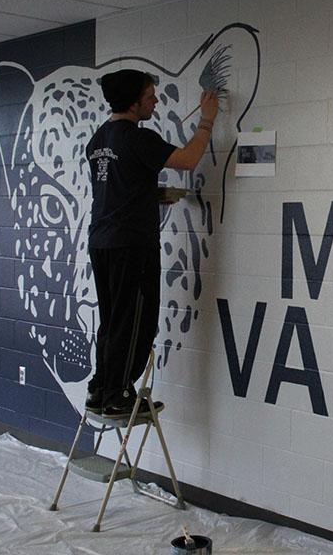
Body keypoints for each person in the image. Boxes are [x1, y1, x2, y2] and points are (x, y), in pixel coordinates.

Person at [85, 69, 218, 417]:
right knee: (136, 321)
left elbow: (117, 186)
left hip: (102, 241)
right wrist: (207, 120)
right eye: (149, 96)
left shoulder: (98, 140)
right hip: (131, 243)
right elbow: (188, 160)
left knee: (113, 319)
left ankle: (101, 389)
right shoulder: (137, 138)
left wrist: (151, 195)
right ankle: (118, 395)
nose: (155, 101)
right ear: (133, 102)